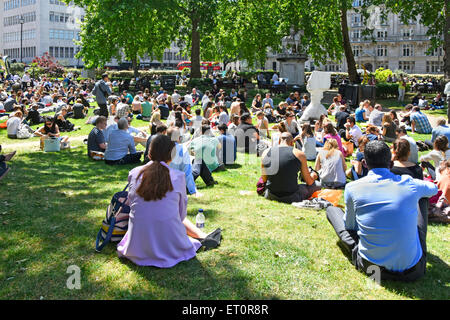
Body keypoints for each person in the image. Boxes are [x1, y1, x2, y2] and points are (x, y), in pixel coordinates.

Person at [326, 140, 438, 281]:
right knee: (422, 196)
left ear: (365, 163)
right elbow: (433, 189)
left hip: (372, 267)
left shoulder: (353, 188)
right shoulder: (409, 183)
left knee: (332, 211)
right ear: (390, 163)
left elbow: (350, 227)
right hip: (412, 270)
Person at [117, 134, 221, 267]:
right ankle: (202, 236)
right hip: (168, 243)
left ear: (149, 153)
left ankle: (202, 236)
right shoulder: (178, 177)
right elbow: (181, 215)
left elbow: (133, 205)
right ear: (172, 156)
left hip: (137, 244)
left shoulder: (134, 172)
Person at [261, 132, 320, 204]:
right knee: (317, 184)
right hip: (292, 196)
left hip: (270, 195)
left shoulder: (265, 152)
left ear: (279, 141)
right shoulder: (299, 154)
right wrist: (314, 176)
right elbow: (309, 182)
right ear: (292, 143)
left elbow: (264, 179)